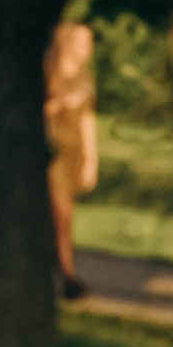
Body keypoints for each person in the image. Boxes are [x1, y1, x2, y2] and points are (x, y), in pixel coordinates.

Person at [43, 18, 99, 302]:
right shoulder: (49, 74)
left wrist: (91, 157)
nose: (88, 48)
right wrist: (60, 102)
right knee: (59, 215)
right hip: (52, 150)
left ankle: (61, 273)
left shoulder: (84, 78)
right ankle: (65, 275)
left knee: (65, 216)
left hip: (73, 152)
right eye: (83, 41)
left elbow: (88, 117)